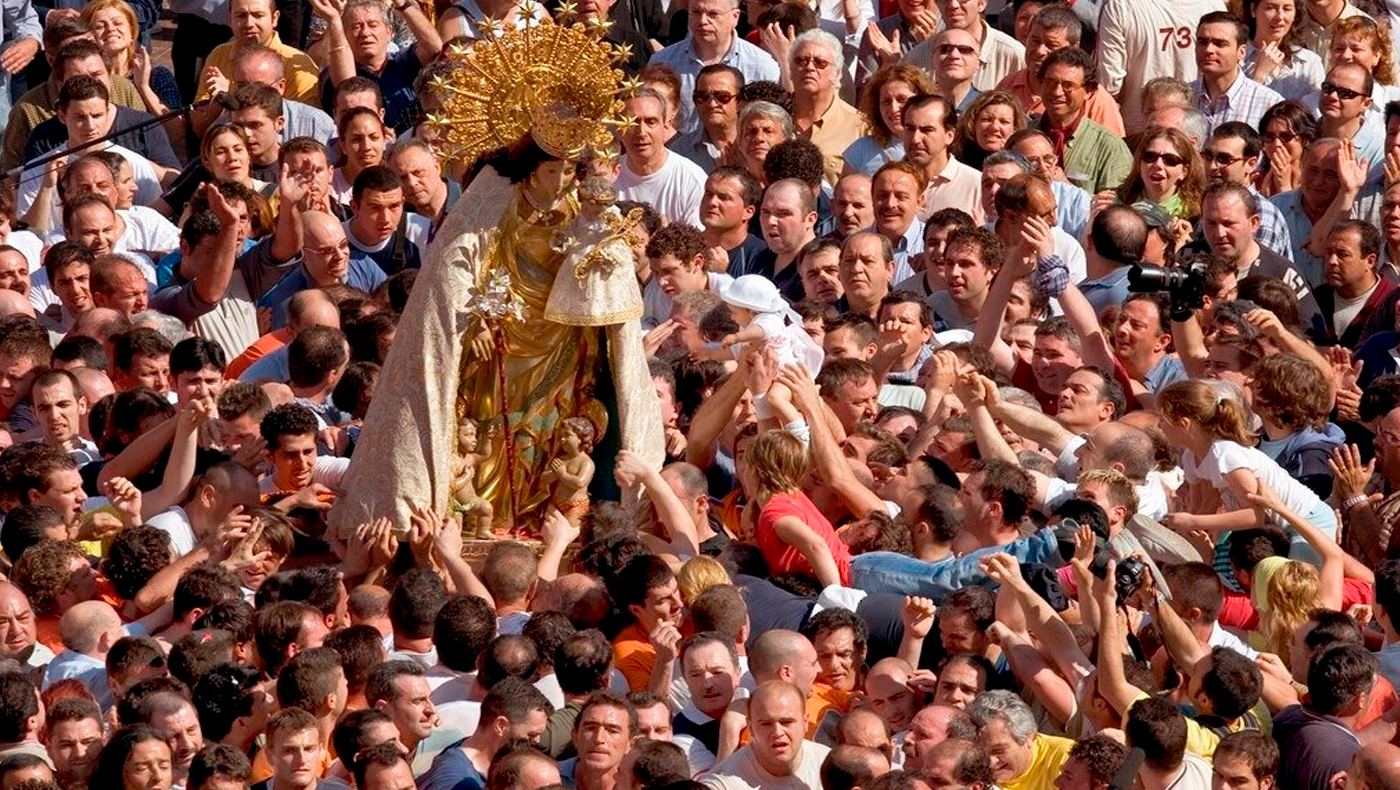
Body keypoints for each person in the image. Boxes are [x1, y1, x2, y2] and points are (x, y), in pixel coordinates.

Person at [702, 681, 830, 790]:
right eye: (766, 724)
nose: (777, 732)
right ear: (751, 728)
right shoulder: (723, 784)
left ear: (805, 723)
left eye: (786, 722)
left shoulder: (827, 763)